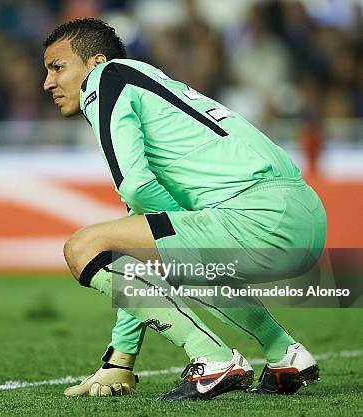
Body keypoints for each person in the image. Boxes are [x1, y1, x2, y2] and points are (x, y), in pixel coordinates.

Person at [42, 18, 327, 400]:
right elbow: (144, 236)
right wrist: (119, 362)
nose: (48, 82)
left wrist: (173, 231)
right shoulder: (153, 88)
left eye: (58, 67)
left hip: (258, 215)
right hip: (300, 214)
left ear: (94, 62)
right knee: (172, 252)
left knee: (82, 247)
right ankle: (284, 354)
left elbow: (134, 187)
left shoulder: (107, 78)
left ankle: (211, 357)